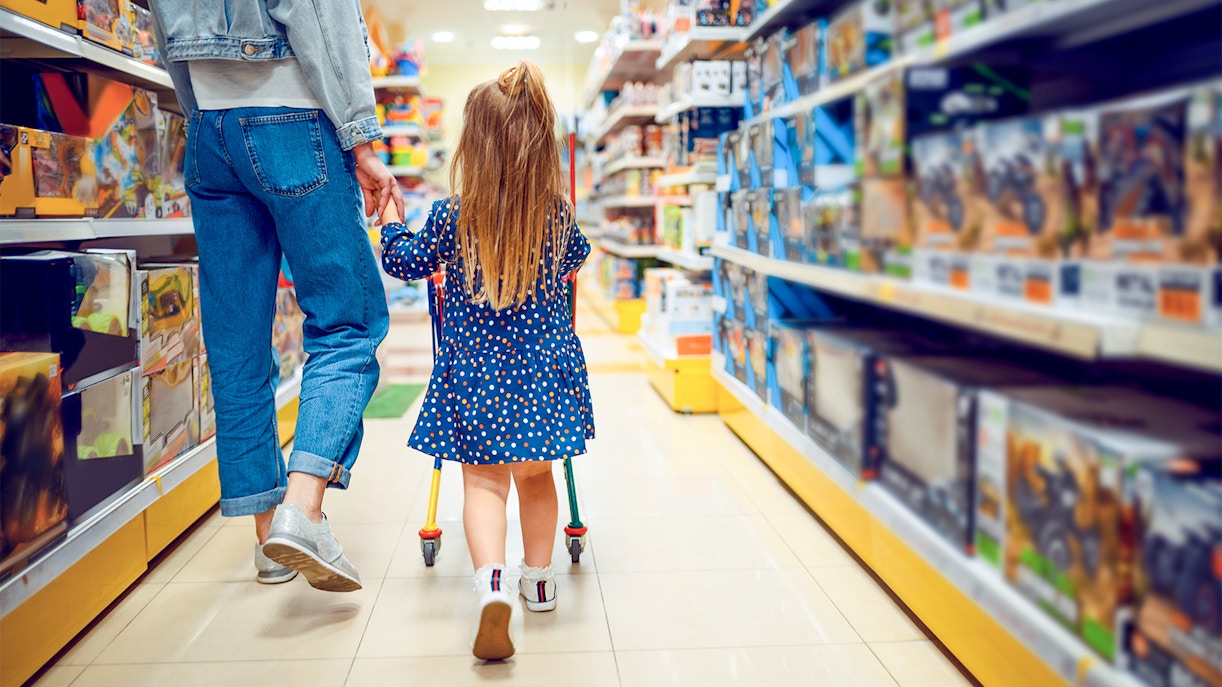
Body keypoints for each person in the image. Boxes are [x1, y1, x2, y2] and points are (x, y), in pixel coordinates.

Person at [146, 0, 400, 592]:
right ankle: (302, 509)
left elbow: (162, 24)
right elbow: (320, 13)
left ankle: (268, 538)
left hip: (210, 130)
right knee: (346, 325)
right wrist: (361, 140)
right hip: (294, 121)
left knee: (236, 344)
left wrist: (204, 113)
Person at [379, 61, 593, 660]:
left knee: (484, 484)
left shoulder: (454, 215)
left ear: (472, 143)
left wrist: (393, 222)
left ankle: (492, 586)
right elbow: (577, 262)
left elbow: (406, 262)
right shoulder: (557, 215)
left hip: (477, 373)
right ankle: (541, 582)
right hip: (545, 370)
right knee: (537, 476)